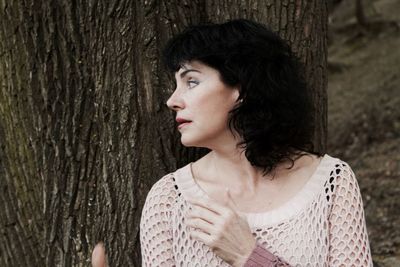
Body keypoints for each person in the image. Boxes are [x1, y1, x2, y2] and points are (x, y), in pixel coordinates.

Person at [93, 19, 373, 266]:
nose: (172, 101)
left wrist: (249, 256)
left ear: (241, 88)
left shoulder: (331, 183)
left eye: (191, 81)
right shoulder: (169, 199)